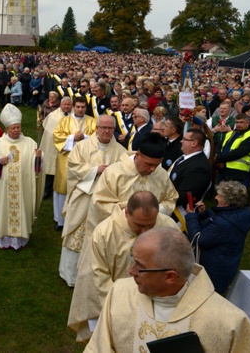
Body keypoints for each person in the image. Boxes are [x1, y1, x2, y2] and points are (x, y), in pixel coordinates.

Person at [68, 133, 178, 342]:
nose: (152, 170)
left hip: (151, 244)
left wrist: (158, 211)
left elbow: (170, 197)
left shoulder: (160, 175)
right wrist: (128, 214)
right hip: (116, 240)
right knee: (102, 283)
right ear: (137, 155)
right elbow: (99, 204)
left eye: (157, 165)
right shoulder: (115, 173)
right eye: (148, 164)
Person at [84, 227, 250, 352]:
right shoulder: (120, 293)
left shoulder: (229, 322)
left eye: (139, 266)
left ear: (170, 277)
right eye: (133, 261)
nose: (131, 271)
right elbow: (99, 347)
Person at [87, 192, 177, 336]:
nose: (145, 231)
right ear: (127, 213)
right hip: (118, 304)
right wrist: (122, 307)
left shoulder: (168, 227)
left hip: (156, 305)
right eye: (139, 225)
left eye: (151, 225)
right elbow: (98, 276)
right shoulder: (104, 233)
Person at [59, 114, 128, 287]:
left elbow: (125, 177)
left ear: (114, 130)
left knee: (100, 238)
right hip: (84, 198)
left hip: (106, 203)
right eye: (103, 127)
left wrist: (110, 174)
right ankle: (71, 276)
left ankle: (95, 278)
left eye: (110, 128)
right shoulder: (82, 147)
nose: (106, 131)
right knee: (77, 235)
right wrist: (95, 170)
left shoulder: (121, 152)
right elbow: (73, 167)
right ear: (96, 128)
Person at [0, 103, 43, 249]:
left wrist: (38, 158)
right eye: (13, 128)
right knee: (3, 208)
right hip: (4, 187)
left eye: (18, 127)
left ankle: (20, 237)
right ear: (7, 128)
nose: (16, 130)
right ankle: (3, 236)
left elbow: (38, 168)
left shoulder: (30, 143)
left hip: (23, 186)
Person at [186, 181, 250, 294]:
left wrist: (191, 217)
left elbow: (199, 240)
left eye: (219, 196)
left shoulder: (224, 224)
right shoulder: (241, 214)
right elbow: (219, 222)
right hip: (227, 265)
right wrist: (206, 213)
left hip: (212, 272)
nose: (216, 197)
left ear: (227, 203)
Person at [53, 96, 97, 230]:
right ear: (73, 107)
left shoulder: (92, 121)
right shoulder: (64, 121)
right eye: (77, 107)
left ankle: (79, 219)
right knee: (63, 187)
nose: (80, 109)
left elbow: (97, 138)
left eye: (83, 107)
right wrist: (73, 138)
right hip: (66, 159)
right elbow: (57, 137)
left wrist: (84, 137)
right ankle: (60, 220)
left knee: (81, 188)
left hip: (85, 161)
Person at [168, 129, 212, 222]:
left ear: (194, 143)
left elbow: (183, 196)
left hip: (179, 215)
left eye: (184, 139)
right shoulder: (186, 157)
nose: (181, 141)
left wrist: (161, 199)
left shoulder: (199, 168)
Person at [39, 96, 71, 199]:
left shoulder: (75, 116)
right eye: (64, 104)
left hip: (68, 147)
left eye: (68, 104)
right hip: (53, 146)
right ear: (60, 105)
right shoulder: (53, 116)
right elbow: (46, 126)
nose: (66, 106)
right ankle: (48, 189)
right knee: (51, 167)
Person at [214, 113, 250, 185]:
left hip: (238, 172)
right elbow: (219, 146)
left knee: (233, 194)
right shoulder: (230, 134)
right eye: (237, 122)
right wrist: (219, 158)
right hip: (223, 168)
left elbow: (238, 153)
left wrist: (219, 159)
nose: (239, 124)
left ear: (248, 123)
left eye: (241, 122)